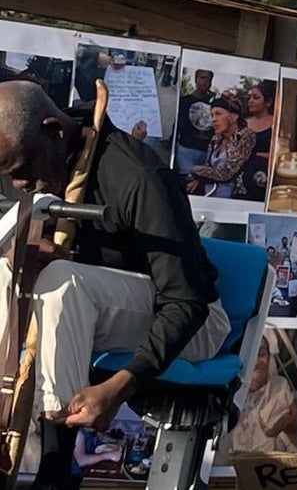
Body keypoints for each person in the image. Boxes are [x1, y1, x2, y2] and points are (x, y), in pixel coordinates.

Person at [0, 81, 229, 490]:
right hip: (105, 305)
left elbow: (186, 303)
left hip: (192, 319)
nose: (19, 185)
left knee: (61, 283)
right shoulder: (47, 147)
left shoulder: (139, 176)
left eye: (23, 171)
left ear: (55, 131)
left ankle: (56, 470)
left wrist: (121, 385)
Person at [227, 331, 297, 455]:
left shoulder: (279, 387)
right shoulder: (225, 392)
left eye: (262, 354)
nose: (256, 362)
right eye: (251, 356)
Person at [185, 90, 257, 199]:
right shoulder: (215, 139)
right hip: (209, 194)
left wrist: (195, 170)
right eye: (212, 115)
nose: (213, 119)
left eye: (218, 114)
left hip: (234, 199)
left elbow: (227, 173)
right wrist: (197, 180)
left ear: (234, 116)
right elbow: (208, 167)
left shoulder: (245, 136)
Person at [174, 69, 216, 164]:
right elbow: (177, 124)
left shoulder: (214, 103)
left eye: (209, 79)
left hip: (206, 152)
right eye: (202, 78)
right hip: (186, 150)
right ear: (196, 79)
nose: (205, 81)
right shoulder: (185, 101)